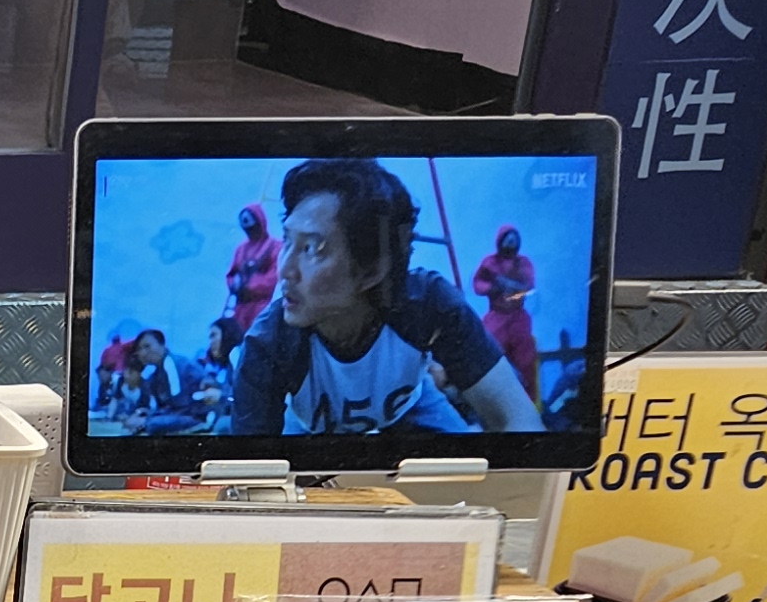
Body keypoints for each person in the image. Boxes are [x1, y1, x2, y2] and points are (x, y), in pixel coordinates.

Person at [227, 157, 545, 437]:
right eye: (287, 241)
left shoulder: (427, 303)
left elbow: (520, 421)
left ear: (371, 270)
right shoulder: (268, 340)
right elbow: (248, 472)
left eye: (311, 248)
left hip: (412, 408)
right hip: (307, 428)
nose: (285, 269)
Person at [472, 225, 540, 396]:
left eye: (514, 239)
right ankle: (493, 397)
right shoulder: (489, 263)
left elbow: (529, 285)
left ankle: (527, 398)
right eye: (507, 239)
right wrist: (494, 287)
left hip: (518, 317)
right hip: (497, 315)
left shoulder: (523, 263)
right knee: (491, 352)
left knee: (525, 358)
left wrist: (514, 286)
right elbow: (478, 284)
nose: (510, 242)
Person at [224, 204, 280, 336]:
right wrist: (234, 285)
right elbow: (231, 274)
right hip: (240, 308)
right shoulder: (241, 249)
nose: (250, 231)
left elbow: (274, 276)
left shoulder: (275, 247)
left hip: (262, 306)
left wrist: (249, 286)